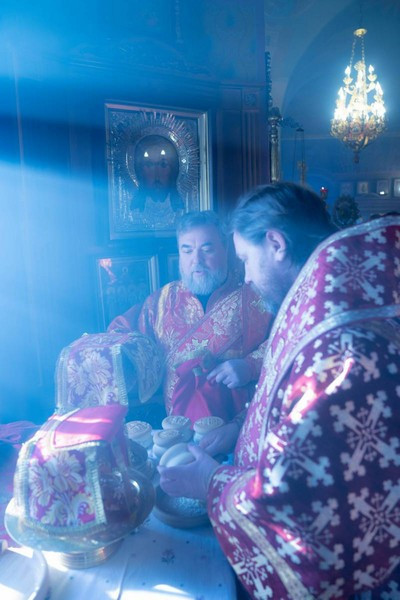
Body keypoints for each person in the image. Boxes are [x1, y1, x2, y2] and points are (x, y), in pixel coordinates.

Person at [158, 183, 400, 598]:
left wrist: (210, 482)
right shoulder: (329, 297)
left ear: (276, 244)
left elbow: (300, 505)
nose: (247, 275)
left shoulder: (336, 340)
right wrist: (239, 430)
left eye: (246, 259)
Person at [108, 210, 273, 424]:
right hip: (177, 428)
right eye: (187, 250)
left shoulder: (256, 296)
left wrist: (250, 366)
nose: (197, 260)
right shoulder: (162, 301)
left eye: (207, 249)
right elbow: (122, 334)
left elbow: (285, 340)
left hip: (240, 425)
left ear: (226, 248)